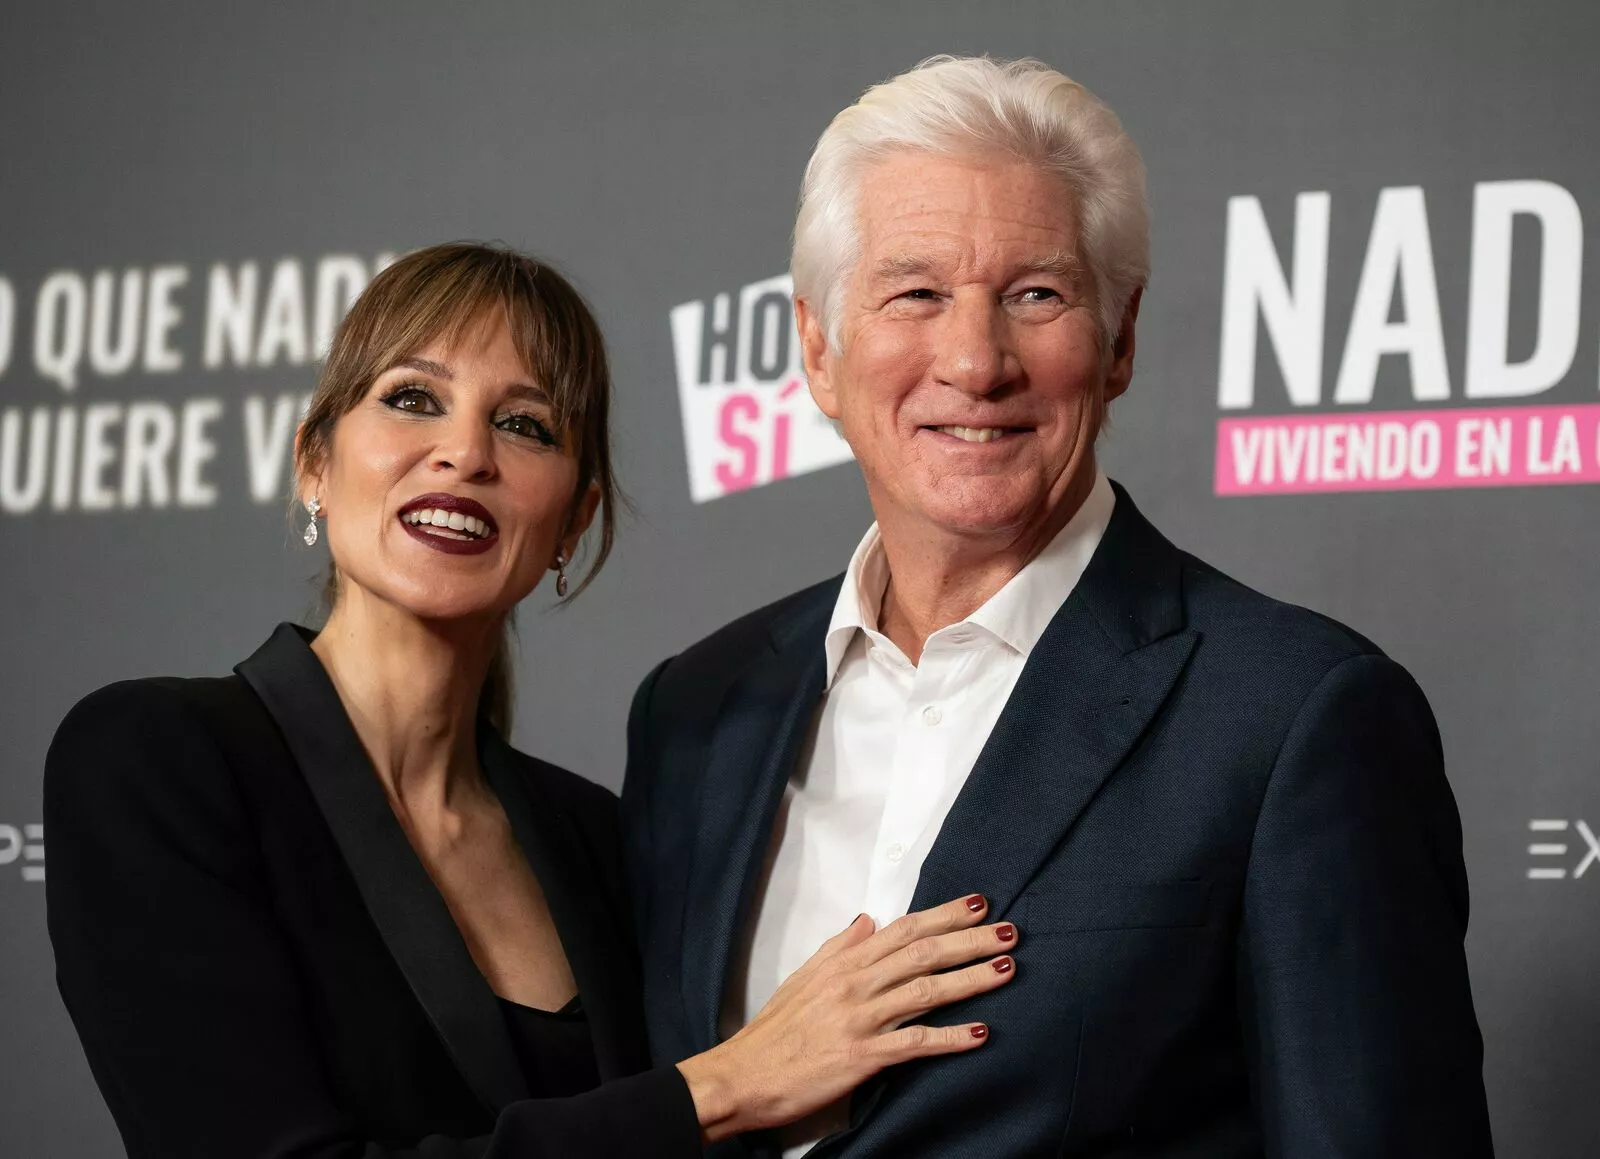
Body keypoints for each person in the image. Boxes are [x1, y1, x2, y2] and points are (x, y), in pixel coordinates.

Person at [622, 57, 1496, 1157]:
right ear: (817, 349)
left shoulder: (1294, 714)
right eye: (915, 293)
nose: (974, 361)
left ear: (1119, 340)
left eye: (1035, 294)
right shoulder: (696, 711)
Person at [43, 243, 1022, 1159]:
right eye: (413, 398)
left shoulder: (597, 837)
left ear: (574, 518)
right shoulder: (157, 760)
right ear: (314, 463)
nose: (465, 452)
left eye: (524, 424)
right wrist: (728, 1083)